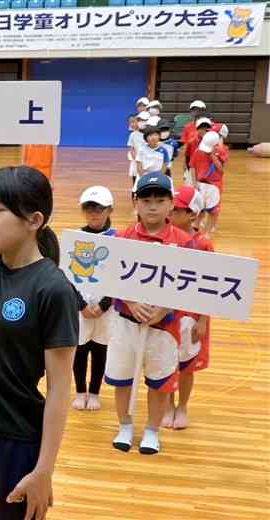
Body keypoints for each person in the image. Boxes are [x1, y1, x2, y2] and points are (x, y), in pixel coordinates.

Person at [0, 28, 78, 520]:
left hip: (16, 443)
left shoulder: (52, 288)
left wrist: (45, 468)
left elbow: (60, 386)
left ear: (34, 221)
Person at [106, 174, 192, 455]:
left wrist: (165, 308)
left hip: (165, 327)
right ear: (135, 203)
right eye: (146, 200)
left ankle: (152, 430)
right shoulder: (122, 238)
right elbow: (110, 276)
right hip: (125, 323)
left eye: (160, 200)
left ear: (171, 205)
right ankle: (125, 425)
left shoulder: (183, 242)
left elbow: (189, 286)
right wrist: (130, 302)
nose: (152, 207)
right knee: (122, 378)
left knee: (159, 381)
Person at [166, 186, 213, 430]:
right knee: (164, 362)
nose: (170, 213)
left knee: (186, 365)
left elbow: (210, 284)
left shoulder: (203, 244)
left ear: (192, 214)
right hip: (164, 315)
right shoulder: (162, 237)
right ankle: (167, 405)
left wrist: (203, 320)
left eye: (176, 209)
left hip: (192, 316)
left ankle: (182, 405)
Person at [72, 186, 117, 412]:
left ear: (109, 210)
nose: (94, 213)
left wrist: (104, 305)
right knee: (80, 350)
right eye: (89, 208)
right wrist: (81, 305)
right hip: (80, 307)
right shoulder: (76, 238)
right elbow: (68, 276)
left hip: (106, 309)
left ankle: (95, 392)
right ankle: (80, 391)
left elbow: (121, 276)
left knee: (100, 350)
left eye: (99, 208)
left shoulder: (118, 239)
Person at [189, 130, 226, 237]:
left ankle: (208, 231)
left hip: (214, 185)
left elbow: (221, 170)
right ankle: (196, 227)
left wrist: (213, 156)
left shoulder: (221, 152)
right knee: (200, 208)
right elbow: (192, 167)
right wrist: (194, 182)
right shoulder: (198, 152)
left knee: (213, 210)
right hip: (201, 184)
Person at [126, 114, 145, 189]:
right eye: (130, 122)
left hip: (146, 159)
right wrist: (136, 159)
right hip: (136, 160)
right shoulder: (132, 135)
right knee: (135, 176)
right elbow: (131, 149)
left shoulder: (146, 134)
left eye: (134, 121)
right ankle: (136, 191)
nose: (132, 124)